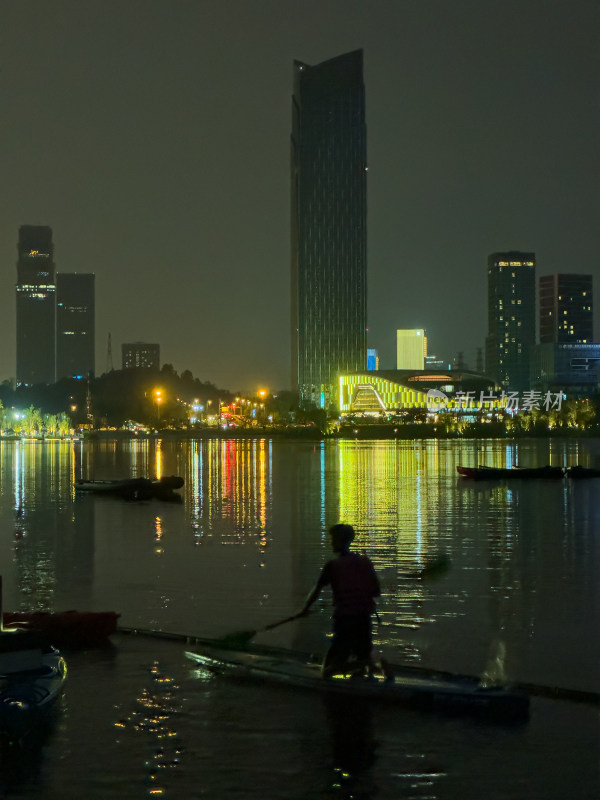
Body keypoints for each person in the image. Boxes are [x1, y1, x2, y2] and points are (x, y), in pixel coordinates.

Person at [298, 523, 393, 681]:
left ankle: (370, 665)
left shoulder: (333, 566)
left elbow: (316, 590)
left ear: (339, 541)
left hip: (345, 621)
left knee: (328, 670)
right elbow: (376, 591)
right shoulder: (364, 562)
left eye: (333, 539)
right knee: (362, 655)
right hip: (364, 619)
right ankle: (371, 666)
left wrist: (304, 609)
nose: (331, 543)